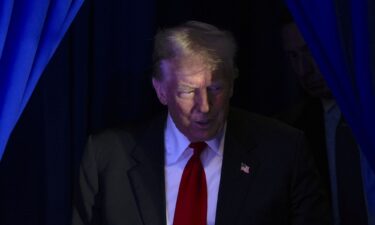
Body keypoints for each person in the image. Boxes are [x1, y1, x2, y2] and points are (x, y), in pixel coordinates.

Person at [72, 21, 331, 225]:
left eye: (215, 88)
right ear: (161, 91)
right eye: (187, 91)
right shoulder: (107, 157)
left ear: (232, 86)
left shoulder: (284, 151)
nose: (204, 106)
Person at [281, 17, 371, 225]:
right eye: (294, 56)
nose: (304, 69)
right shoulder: (293, 129)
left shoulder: (367, 113)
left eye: (311, 51)